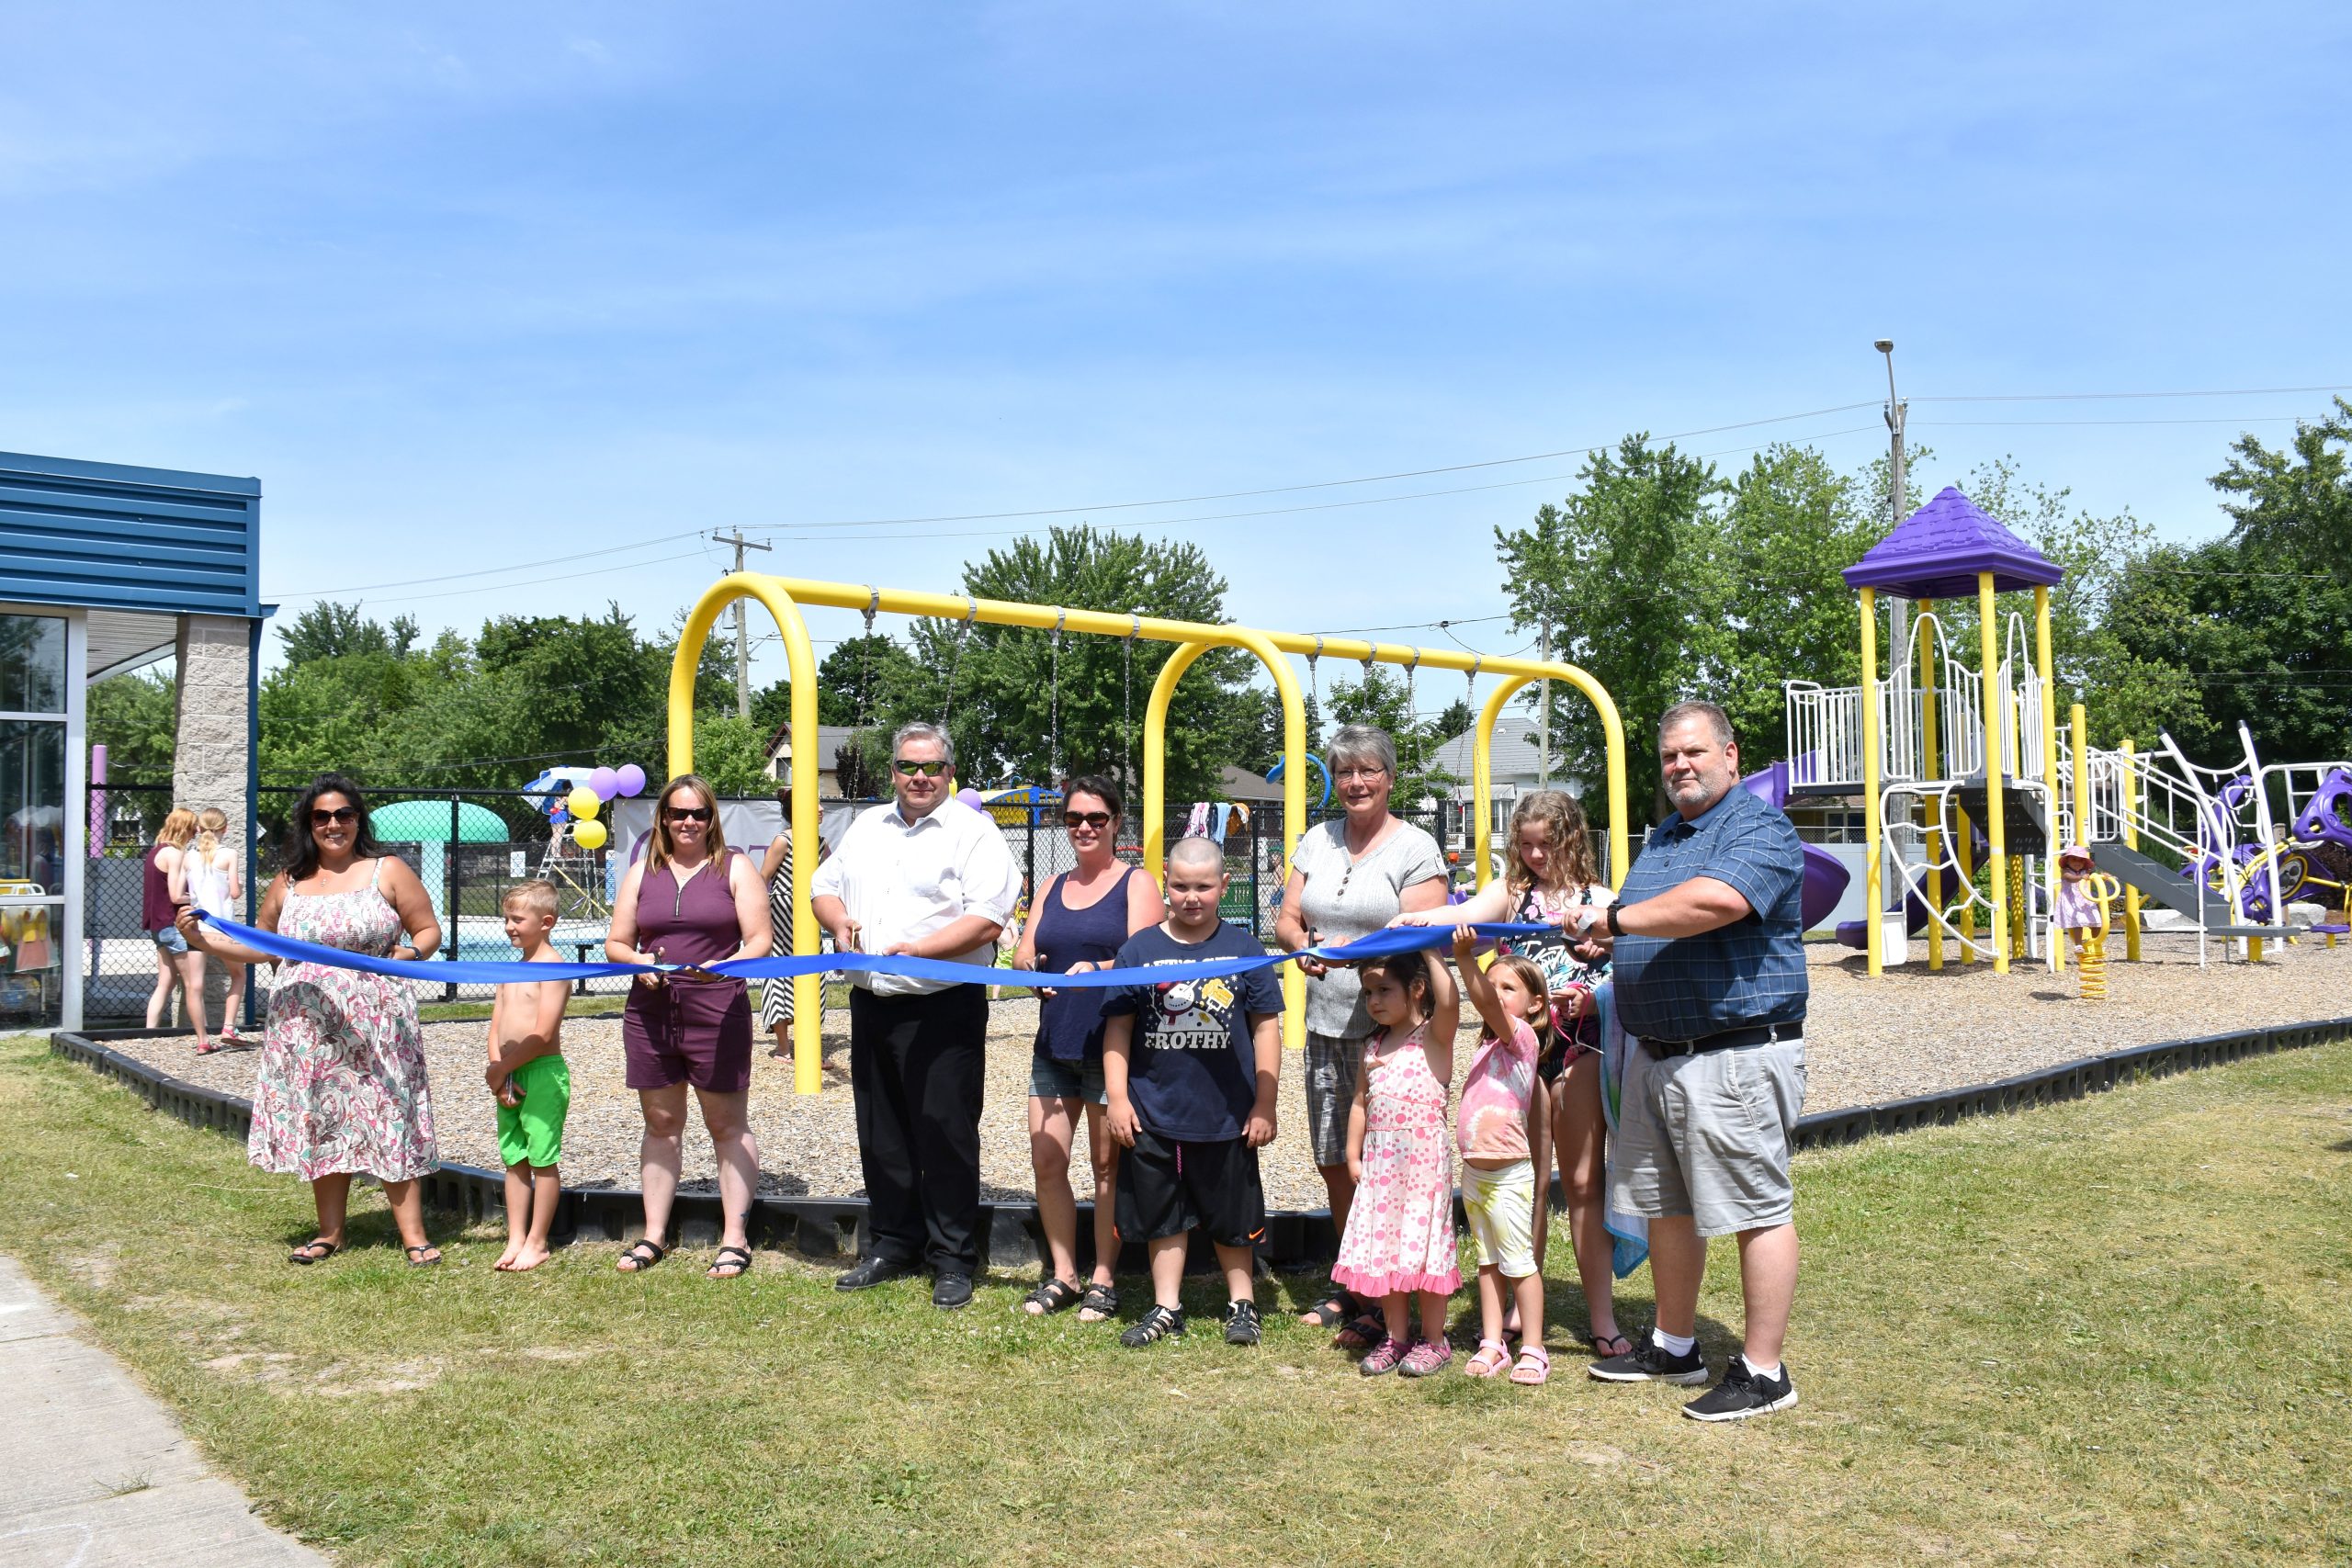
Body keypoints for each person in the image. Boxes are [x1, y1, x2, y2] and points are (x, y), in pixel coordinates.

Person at [1564, 700, 1807, 1421]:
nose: (1679, 766)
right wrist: (1610, 938)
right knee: (1667, 1206)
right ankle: (1675, 1345)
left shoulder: (1759, 827)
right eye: (1670, 756)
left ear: (1731, 756)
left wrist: (1615, 918)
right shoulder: (1668, 835)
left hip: (1732, 1055)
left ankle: (1764, 1371)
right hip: (1658, 1054)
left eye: (1694, 752)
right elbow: (1651, 916)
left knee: (1756, 1209)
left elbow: (1715, 902)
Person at [175, 774, 445, 1265]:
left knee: (389, 1114)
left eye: (344, 814)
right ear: (308, 823)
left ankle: (414, 1236)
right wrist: (200, 940)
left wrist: (409, 953)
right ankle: (329, 1233)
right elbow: (261, 945)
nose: (333, 824)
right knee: (324, 1117)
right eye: (322, 816)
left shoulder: (387, 869)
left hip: (376, 1021)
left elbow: (428, 929)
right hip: (305, 1026)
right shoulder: (288, 881)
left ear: (358, 819)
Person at [1392, 788, 1624, 1357]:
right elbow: (1462, 915)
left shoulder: (1601, 900)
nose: (1536, 855)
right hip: (1517, 1052)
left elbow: (1628, 960)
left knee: (1583, 1183)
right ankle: (1523, 1303)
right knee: (1527, 1184)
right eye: (1526, 844)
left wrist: (1595, 990)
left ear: (1572, 839)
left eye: (1547, 844)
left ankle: (1602, 1317)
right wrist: (1416, 918)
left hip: (1579, 1047)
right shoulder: (1514, 895)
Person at [811, 722, 1022, 1310]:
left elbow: (988, 918)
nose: (920, 777)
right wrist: (837, 921)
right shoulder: (867, 827)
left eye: (931, 767)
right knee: (881, 1133)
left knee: (945, 1132)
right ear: (893, 772)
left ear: (950, 772)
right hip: (871, 1002)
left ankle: (952, 1257)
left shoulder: (975, 834)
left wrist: (921, 950)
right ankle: (893, 1244)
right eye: (908, 766)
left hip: (942, 1005)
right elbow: (823, 886)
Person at [1272, 724, 1449, 1341]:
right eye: (1345, 772)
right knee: (1335, 1159)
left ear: (1390, 778)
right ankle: (1358, 1285)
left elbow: (1424, 935)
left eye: (1368, 770)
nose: (1355, 782)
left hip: (1392, 1034)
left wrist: (1359, 953)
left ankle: (1392, 1290)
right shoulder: (1316, 841)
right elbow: (1286, 918)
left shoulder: (1415, 848)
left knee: (1388, 1162)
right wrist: (1304, 946)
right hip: (1325, 1023)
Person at [1099, 836, 1283, 1348]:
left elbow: (1266, 1028)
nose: (1192, 897)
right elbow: (1117, 1029)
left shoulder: (1245, 949)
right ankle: (1167, 1306)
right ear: (1166, 882)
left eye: (1203, 886)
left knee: (1232, 1216)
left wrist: (1265, 1102)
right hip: (1153, 1113)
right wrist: (1118, 1098)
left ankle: (1242, 1303)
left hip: (1227, 1115)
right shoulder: (1139, 951)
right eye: (1180, 886)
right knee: (1162, 1213)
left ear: (1224, 884)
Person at [605, 773, 773, 1280]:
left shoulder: (736, 867)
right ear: (663, 818)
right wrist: (639, 963)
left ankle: (735, 1238)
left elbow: (759, 941)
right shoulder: (642, 871)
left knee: (727, 1125)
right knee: (660, 1123)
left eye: (699, 813)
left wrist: (724, 968)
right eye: (678, 813)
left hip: (718, 1012)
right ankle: (654, 1234)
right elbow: (617, 943)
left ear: (711, 819)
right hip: (651, 1013)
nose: (688, 822)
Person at [1013, 774, 1163, 1320]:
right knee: (1047, 1162)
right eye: (1074, 817)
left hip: (1111, 1047)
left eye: (1096, 818)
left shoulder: (1137, 883)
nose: (1084, 827)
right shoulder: (1051, 885)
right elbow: (1022, 953)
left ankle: (1103, 1276)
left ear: (1116, 823)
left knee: (1107, 1168)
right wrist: (1033, 969)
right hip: (1054, 1043)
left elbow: (1146, 956)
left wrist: (1096, 968)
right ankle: (1063, 1274)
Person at [1331, 944, 1460, 1377]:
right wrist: (1353, 1154)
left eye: (1384, 990)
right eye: (1368, 993)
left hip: (1422, 1166)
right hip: (1381, 1167)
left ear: (1417, 989)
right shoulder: (1373, 1045)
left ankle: (1435, 1340)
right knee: (1386, 1248)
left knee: (1424, 1249)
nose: (1374, 1001)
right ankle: (1397, 1337)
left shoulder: (1434, 1037)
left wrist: (1431, 948)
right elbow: (1360, 1102)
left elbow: (1450, 1001)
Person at [1450, 928, 1553, 1385]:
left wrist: (1464, 960)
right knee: (1488, 1262)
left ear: (1535, 1004)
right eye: (1491, 985)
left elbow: (1487, 1006)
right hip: (1474, 1173)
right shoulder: (1487, 1045)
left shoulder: (1523, 1038)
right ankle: (1493, 1343)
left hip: (1508, 1174)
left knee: (1519, 1263)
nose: (1495, 995)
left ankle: (1533, 1347)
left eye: (1508, 987)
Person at [488, 881, 572, 1273]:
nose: (509, 926)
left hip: (540, 1073)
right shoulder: (511, 970)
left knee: (542, 1158)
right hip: (507, 1074)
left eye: (517, 919)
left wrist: (501, 1069)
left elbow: (542, 1034)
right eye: (506, 918)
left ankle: (537, 1242)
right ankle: (516, 1238)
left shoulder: (554, 969)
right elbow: (496, 1025)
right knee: (515, 1158)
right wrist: (499, 1072)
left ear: (546, 922)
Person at [143, 807, 210, 1052]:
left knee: (166, 981)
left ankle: (148, 1033)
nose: (195, 834)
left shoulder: (156, 851)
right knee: (193, 984)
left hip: (157, 926)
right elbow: (175, 895)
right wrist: (199, 899)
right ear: (184, 828)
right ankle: (204, 1037)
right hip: (172, 925)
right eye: (193, 829)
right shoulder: (174, 854)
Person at [185, 806, 253, 1047]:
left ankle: (202, 1040)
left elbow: (183, 891)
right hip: (222, 926)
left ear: (198, 828)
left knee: (195, 985)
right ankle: (229, 1027)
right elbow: (235, 892)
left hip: (197, 927)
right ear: (225, 828)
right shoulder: (229, 854)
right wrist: (239, 886)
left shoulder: (188, 856)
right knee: (239, 974)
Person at [758, 787, 797, 1059]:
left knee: (812, 975)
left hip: (809, 916)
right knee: (779, 975)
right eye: (816, 804)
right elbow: (762, 877)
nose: (821, 809)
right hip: (782, 918)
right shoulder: (783, 841)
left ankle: (809, 1044)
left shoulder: (820, 842)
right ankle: (783, 1046)